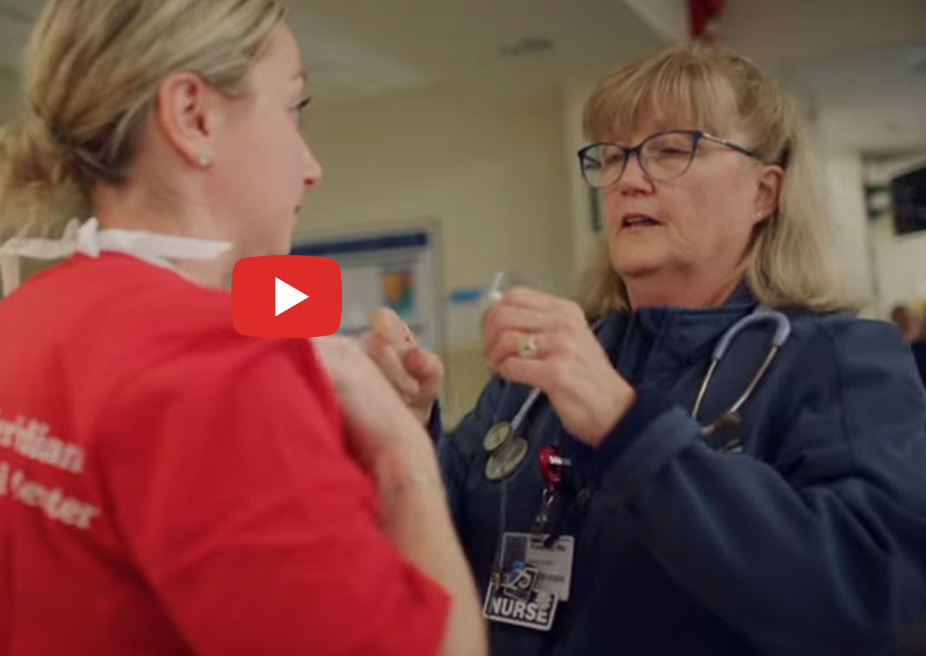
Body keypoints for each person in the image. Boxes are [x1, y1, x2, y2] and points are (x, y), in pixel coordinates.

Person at [0, 0, 484, 656]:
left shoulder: (13, 325)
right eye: (293, 110)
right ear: (193, 115)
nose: (312, 168)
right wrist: (402, 453)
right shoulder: (226, 360)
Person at [368, 40, 926, 654]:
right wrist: (409, 425)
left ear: (764, 193)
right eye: (611, 156)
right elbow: (451, 545)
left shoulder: (840, 361)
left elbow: (870, 594)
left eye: (670, 150)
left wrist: (626, 425)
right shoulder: (549, 366)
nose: (629, 180)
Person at [890, 303, 926, 386]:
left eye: (906, 317)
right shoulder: (894, 340)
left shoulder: (919, 337)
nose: (905, 321)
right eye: (901, 319)